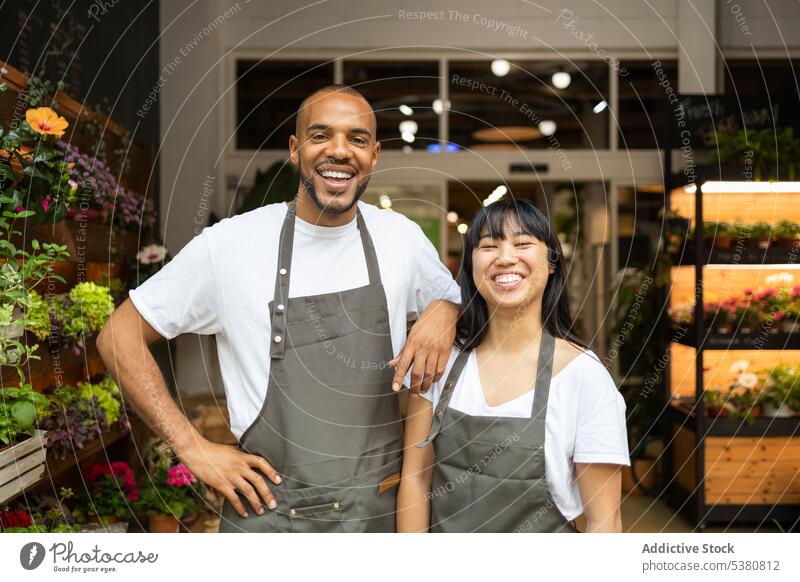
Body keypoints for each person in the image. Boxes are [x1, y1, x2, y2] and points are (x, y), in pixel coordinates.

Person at [97, 85, 461, 533]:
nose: (340, 151)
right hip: (270, 518)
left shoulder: (401, 239)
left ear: (375, 155)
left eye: (358, 139)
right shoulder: (230, 244)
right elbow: (118, 336)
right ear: (295, 149)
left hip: (376, 516)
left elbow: (470, 310)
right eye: (321, 135)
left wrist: (447, 309)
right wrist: (191, 447)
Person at [397, 198, 629, 533]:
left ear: (551, 263)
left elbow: (604, 521)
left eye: (522, 244)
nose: (505, 258)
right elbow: (416, 479)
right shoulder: (439, 362)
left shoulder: (584, 377)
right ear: (471, 265)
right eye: (489, 246)